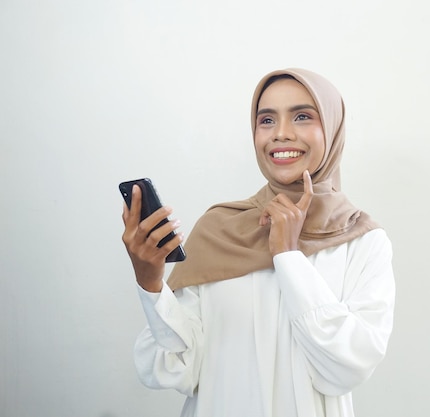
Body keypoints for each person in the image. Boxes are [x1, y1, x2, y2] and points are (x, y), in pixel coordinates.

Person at [121, 68, 395, 417]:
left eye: (302, 116)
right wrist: (150, 283)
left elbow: (346, 367)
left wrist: (288, 255)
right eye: (266, 120)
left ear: (332, 127)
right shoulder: (221, 228)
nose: (281, 134)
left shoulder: (364, 241)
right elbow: (177, 368)